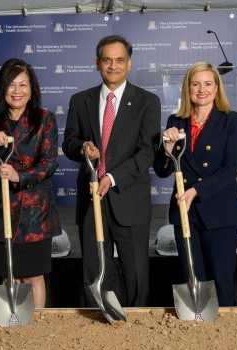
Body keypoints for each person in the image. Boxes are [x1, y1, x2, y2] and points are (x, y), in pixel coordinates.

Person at [62, 35, 161, 307]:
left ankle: (137, 323)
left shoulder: (147, 101)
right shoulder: (80, 100)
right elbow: (69, 142)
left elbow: (147, 151)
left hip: (129, 198)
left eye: (119, 60)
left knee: (136, 272)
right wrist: (84, 148)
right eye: (107, 60)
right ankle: (98, 320)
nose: (113, 65)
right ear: (97, 64)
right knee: (95, 269)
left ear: (129, 64)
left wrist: (112, 177)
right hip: (92, 199)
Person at [0, 58, 61, 308]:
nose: (17, 91)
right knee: (8, 274)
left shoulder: (45, 119)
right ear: (2, 88)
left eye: (23, 85)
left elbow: (50, 164)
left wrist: (20, 176)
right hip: (0, 210)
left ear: (32, 90)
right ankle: (11, 327)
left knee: (32, 275)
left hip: (34, 214)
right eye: (11, 85)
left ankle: (37, 327)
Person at [153, 62, 237, 307]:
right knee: (192, 278)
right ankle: (197, 334)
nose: (201, 89)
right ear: (187, 88)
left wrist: (196, 190)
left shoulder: (233, 121)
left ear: (217, 88)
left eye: (207, 84)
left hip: (221, 213)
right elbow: (162, 171)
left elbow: (230, 170)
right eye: (195, 84)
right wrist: (168, 148)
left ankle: (226, 336)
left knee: (221, 280)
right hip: (185, 213)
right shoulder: (176, 120)